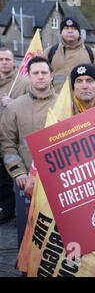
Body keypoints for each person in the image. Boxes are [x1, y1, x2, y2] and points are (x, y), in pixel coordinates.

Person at [0, 56, 58, 243]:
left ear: (51, 76)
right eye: (36, 73)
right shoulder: (15, 107)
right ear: (29, 76)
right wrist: (18, 174)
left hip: (59, 181)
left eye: (44, 73)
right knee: (29, 235)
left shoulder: (65, 104)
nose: (40, 77)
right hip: (27, 182)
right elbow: (7, 144)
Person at [0, 48, 30, 224]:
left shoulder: (23, 83)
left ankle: (11, 209)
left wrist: (14, 104)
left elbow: (31, 102)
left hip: (14, 138)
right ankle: (5, 208)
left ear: (14, 62)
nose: (4, 62)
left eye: (7, 59)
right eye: (1, 59)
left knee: (12, 175)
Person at [43, 16, 95, 93]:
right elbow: (40, 77)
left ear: (79, 32)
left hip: (85, 102)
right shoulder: (49, 53)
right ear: (61, 32)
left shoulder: (91, 53)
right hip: (57, 102)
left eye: (74, 28)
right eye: (66, 28)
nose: (70, 31)